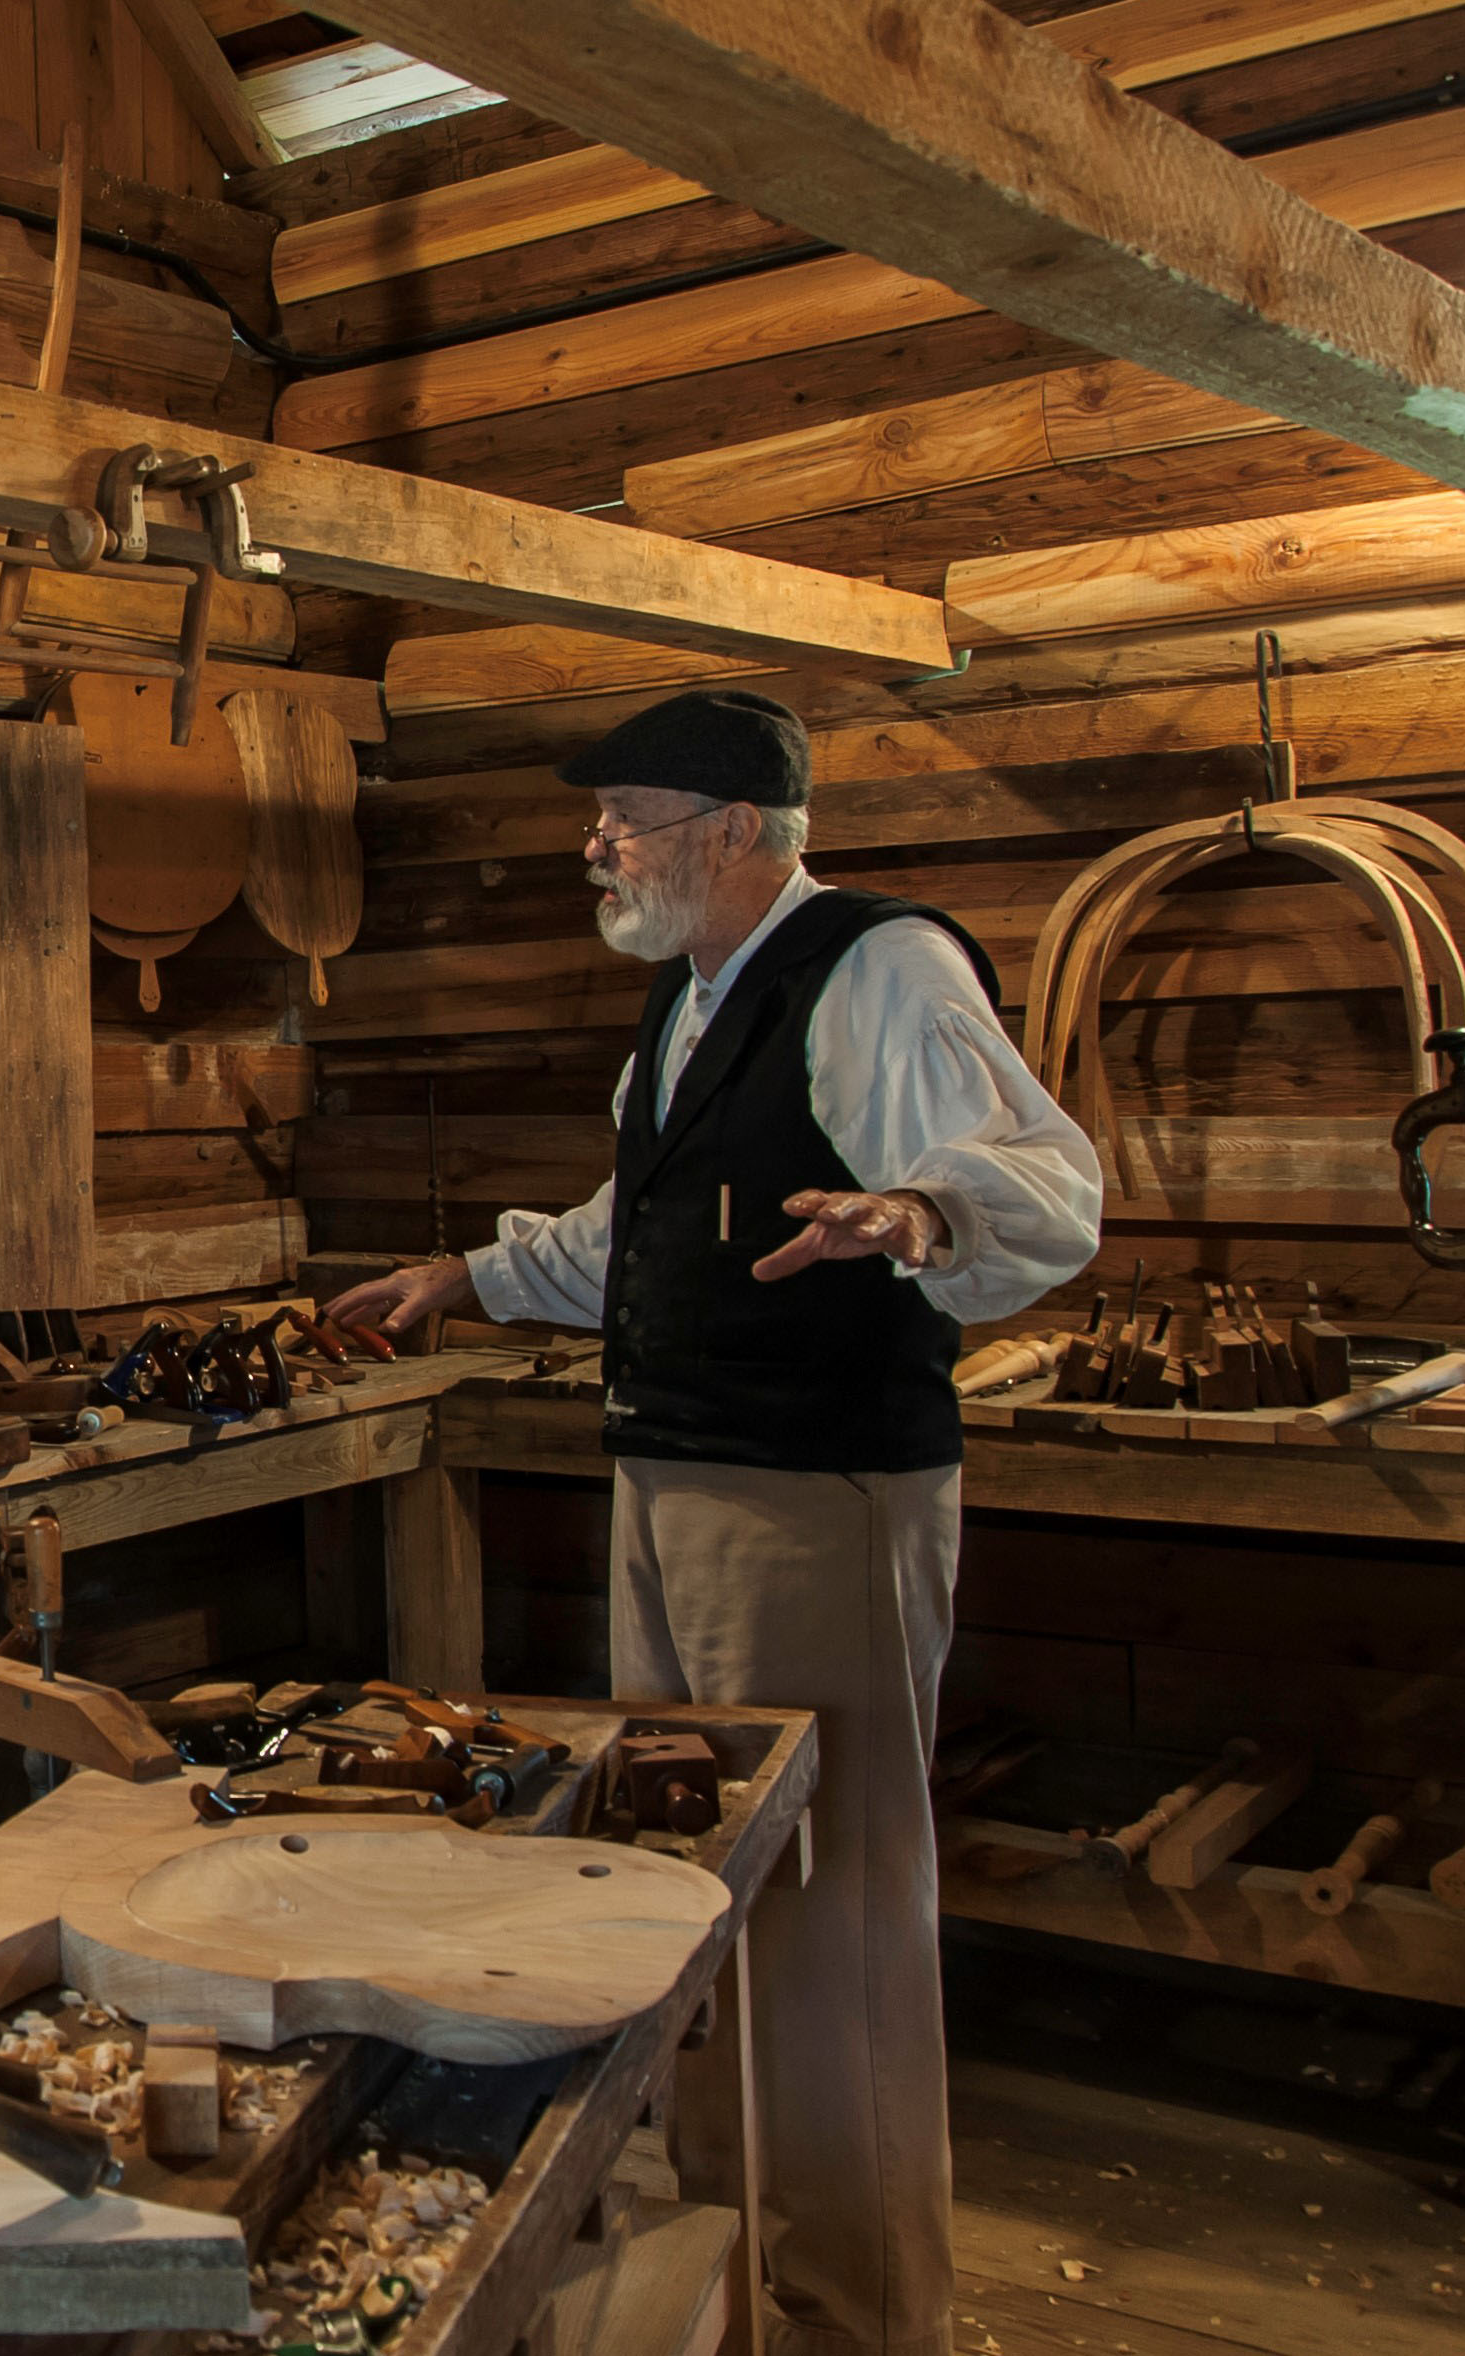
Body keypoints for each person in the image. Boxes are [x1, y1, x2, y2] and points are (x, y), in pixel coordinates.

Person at [325, 689, 1099, 2356]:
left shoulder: (875, 968)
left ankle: (859, 2309)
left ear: (738, 830)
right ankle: (751, 2273)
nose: (595, 846)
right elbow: (634, 1233)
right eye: (599, 820)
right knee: (706, 1884)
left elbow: (1046, 1178)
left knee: (829, 1902)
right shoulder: (690, 1009)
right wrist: (466, 1276)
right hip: (672, 1485)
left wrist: (922, 1208)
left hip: (813, 1493)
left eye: (629, 817)